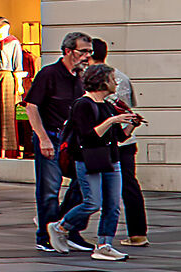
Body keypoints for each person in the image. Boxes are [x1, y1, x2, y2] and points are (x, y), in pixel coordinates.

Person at [50, 63, 139, 259]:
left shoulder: (108, 105)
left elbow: (119, 137)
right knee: (92, 202)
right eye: (112, 79)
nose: (115, 83)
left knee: (112, 205)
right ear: (102, 81)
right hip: (88, 160)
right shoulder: (83, 104)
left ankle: (104, 245)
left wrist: (131, 125)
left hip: (111, 159)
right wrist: (112, 121)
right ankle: (60, 227)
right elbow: (88, 136)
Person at [20, 32, 92, 242]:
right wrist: (43, 138)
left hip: (73, 139)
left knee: (84, 182)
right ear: (68, 51)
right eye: (83, 51)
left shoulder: (81, 77)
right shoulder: (49, 74)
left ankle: (64, 227)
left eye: (89, 52)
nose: (87, 56)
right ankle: (45, 237)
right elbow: (31, 106)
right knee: (49, 189)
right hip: (51, 135)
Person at [91, 38, 149, 245]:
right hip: (123, 141)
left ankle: (61, 223)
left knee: (84, 186)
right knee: (128, 186)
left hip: (109, 141)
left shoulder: (95, 79)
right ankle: (138, 232)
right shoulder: (120, 76)